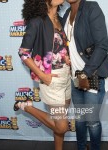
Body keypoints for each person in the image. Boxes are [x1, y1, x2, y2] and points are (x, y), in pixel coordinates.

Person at [14, 0, 71, 150]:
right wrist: (42, 75)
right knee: (62, 126)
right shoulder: (37, 21)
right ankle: (26, 106)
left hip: (67, 76)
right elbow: (23, 52)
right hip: (50, 78)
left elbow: (58, 47)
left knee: (58, 120)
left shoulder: (59, 18)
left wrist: (66, 57)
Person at [62, 0, 108, 150]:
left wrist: (85, 74)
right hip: (75, 77)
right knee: (79, 119)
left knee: (91, 121)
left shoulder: (91, 8)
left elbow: (102, 45)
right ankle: (81, 147)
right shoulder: (66, 14)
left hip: (93, 75)